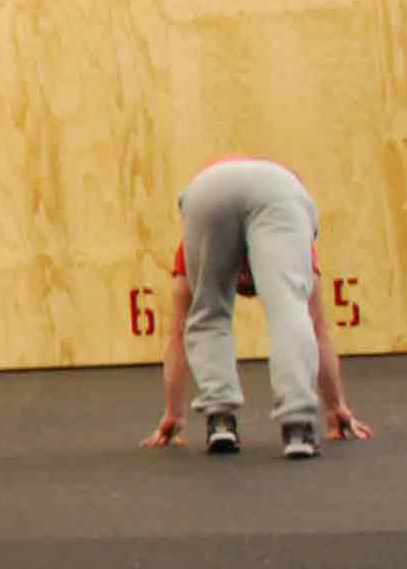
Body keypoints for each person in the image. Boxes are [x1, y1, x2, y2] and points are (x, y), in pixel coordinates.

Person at [146, 156, 370, 457]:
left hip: (208, 190)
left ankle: (220, 421)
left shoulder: (189, 252)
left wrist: (174, 414)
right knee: (290, 308)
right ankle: (298, 426)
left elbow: (180, 333)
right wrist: (334, 406)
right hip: (279, 191)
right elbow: (318, 331)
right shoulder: (294, 243)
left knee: (207, 314)